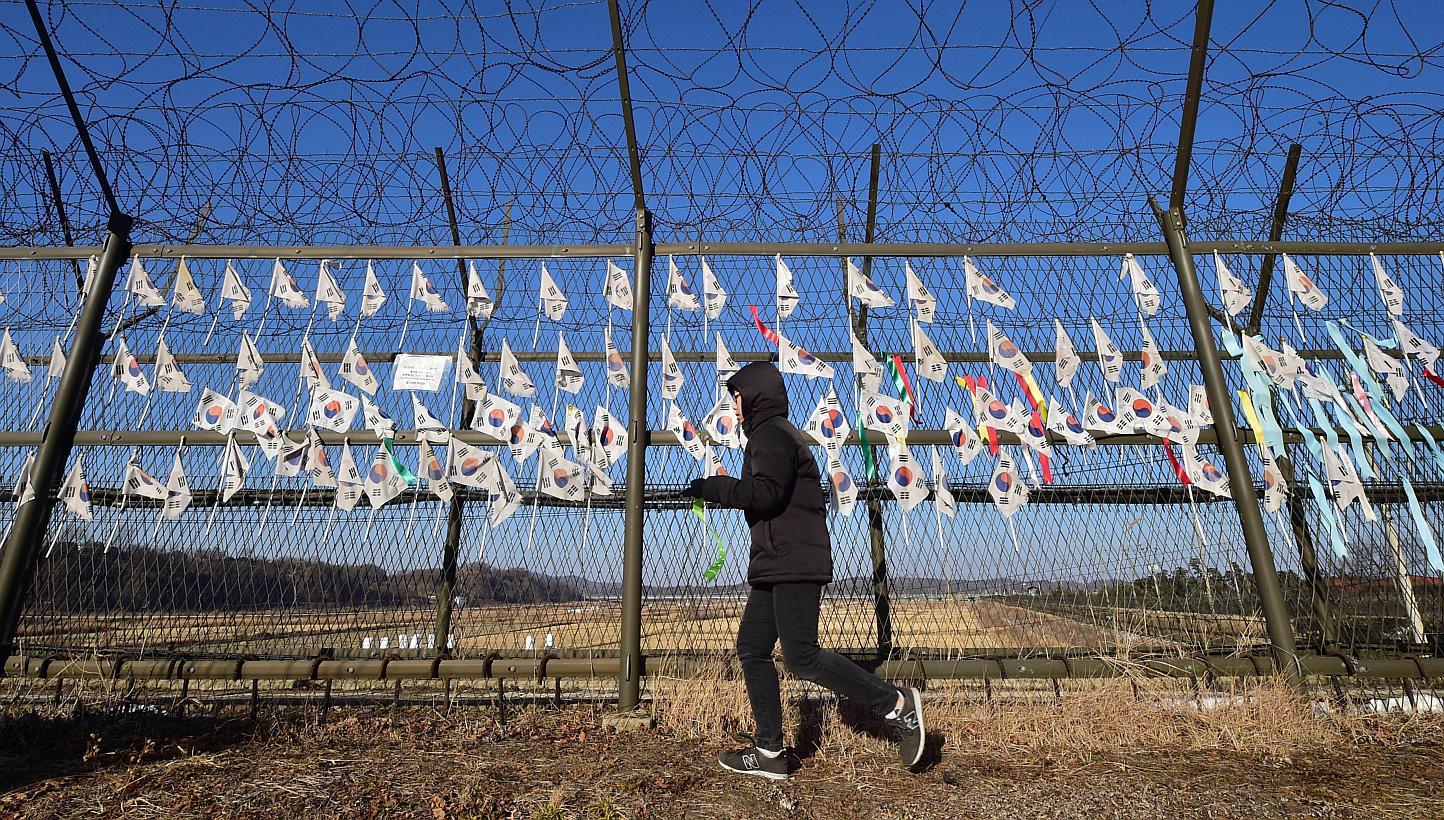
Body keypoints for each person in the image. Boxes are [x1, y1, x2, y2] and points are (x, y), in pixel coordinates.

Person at [683, 361, 926, 780]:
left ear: (756, 396)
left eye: (737, 398)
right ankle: (769, 752)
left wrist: (712, 486)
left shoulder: (771, 436)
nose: (734, 408)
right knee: (753, 647)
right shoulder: (774, 436)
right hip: (776, 562)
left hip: (791, 561)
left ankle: (897, 705)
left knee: (802, 656)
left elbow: (766, 495)